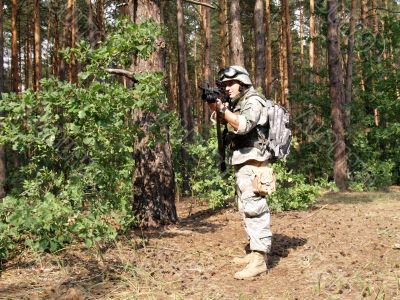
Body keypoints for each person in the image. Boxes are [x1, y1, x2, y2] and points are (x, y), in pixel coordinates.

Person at [208, 65, 274, 280]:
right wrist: (219, 110)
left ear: (243, 83)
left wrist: (224, 111)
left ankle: (259, 260)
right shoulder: (238, 103)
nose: (227, 88)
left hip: (255, 163)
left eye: (230, 84)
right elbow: (227, 123)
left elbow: (244, 126)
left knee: (255, 209)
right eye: (224, 85)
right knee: (245, 208)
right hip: (243, 162)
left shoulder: (254, 101)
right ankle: (255, 252)